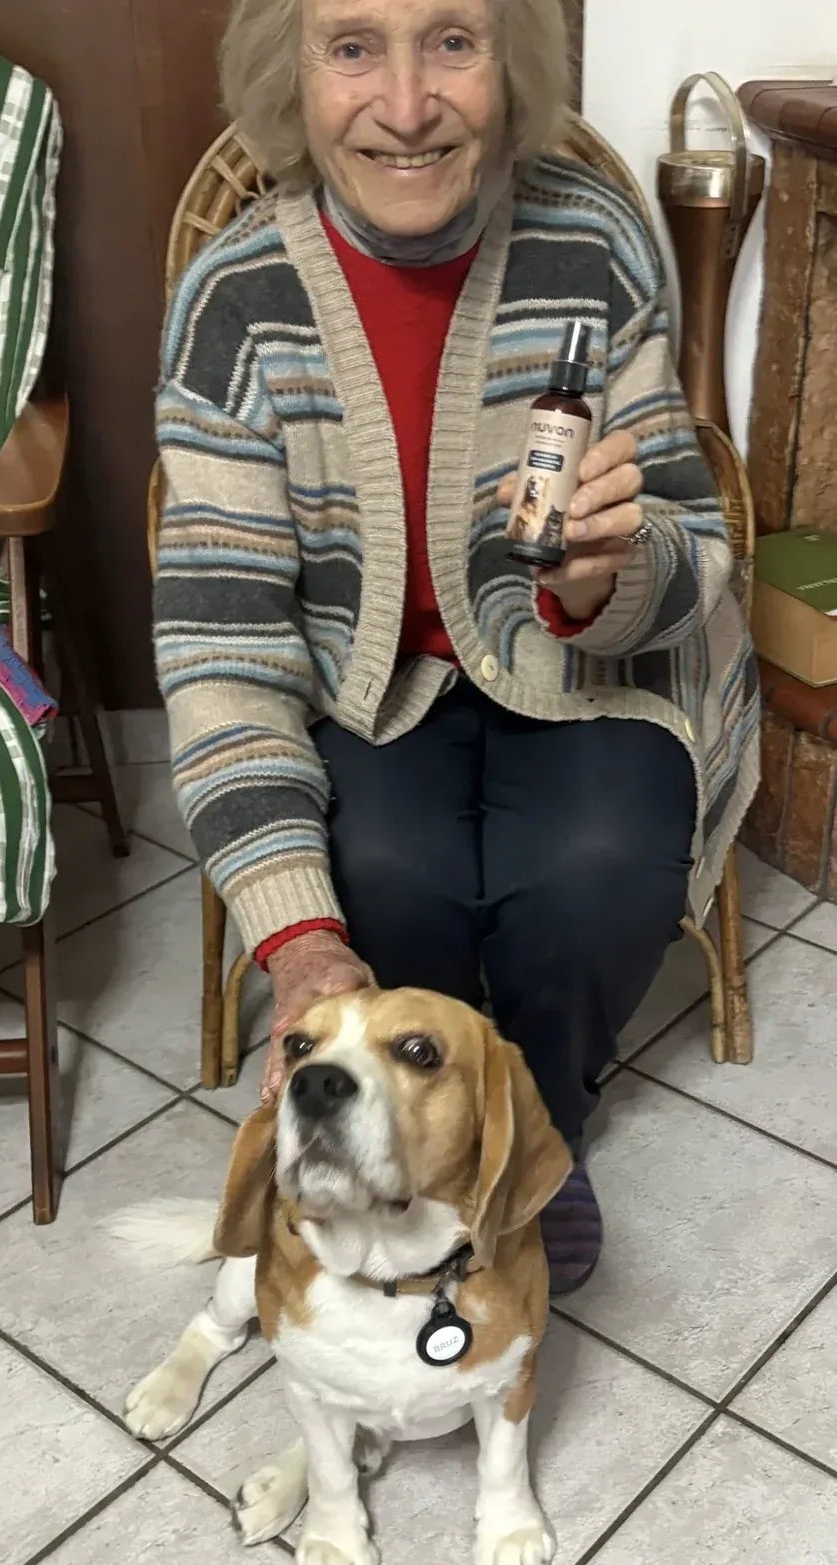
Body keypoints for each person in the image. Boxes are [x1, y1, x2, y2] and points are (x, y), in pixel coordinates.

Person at [153, 0, 759, 1292]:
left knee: (600, 870)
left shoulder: (591, 243)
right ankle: (415, 1142)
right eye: (352, 46)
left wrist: (609, 575)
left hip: (581, 672)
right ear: (291, 74)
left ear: (508, 63)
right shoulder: (236, 302)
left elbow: (697, 546)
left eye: (451, 41)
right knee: (384, 874)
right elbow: (221, 659)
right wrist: (298, 941)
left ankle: (541, 1135)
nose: (407, 105)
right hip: (361, 691)